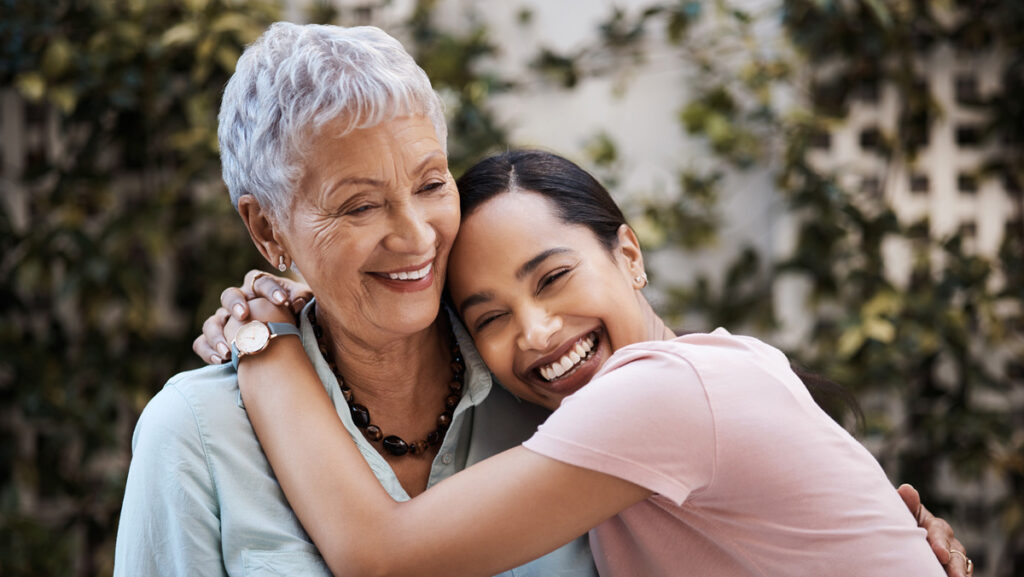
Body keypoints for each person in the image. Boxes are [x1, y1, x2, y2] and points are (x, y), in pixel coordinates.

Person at [198, 150, 974, 577]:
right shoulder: (680, 391)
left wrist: (267, 340)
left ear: (627, 252)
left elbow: (380, 556)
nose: (536, 332)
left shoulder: (665, 395)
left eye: (553, 277)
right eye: (490, 318)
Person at [113, 24, 594, 576]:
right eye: (360, 206)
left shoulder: (547, 378)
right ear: (268, 230)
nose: (416, 237)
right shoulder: (196, 433)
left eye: (432, 184)